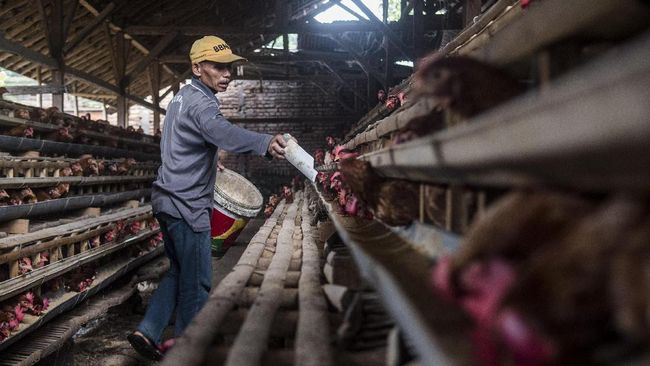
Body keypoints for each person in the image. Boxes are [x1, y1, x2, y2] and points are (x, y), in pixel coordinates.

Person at [128, 35, 287, 361]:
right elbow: (222, 132)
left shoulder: (181, 97)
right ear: (197, 67)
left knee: (178, 271)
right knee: (198, 283)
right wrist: (264, 142)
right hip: (188, 206)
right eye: (219, 67)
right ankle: (187, 351)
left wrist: (205, 157)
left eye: (229, 68)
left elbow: (182, 139)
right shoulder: (203, 103)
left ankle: (148, 330)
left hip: (165, 199)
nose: (227, 74)